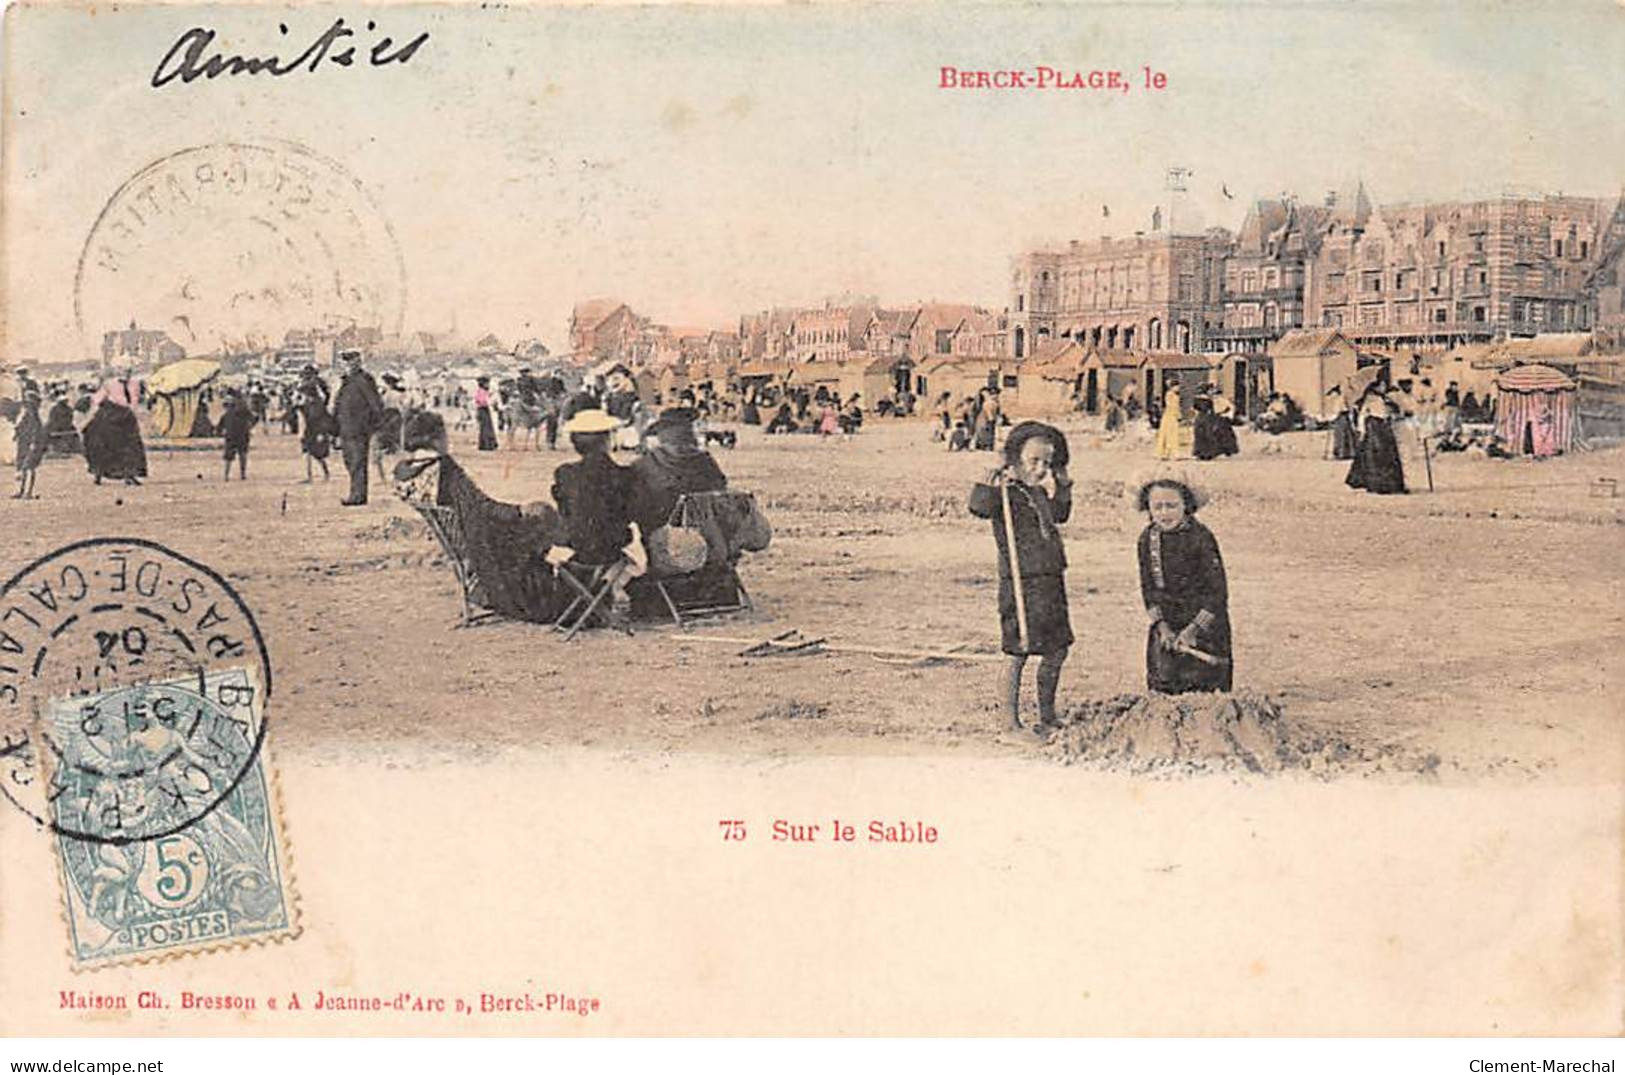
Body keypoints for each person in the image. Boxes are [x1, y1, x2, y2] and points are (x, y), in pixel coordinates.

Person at [967, 421, 1074, 734]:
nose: (1041, 468)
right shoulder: (1004, 493)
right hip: (1020, 581)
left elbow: (1060, 514)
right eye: (1033, 461)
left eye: (1047, 462)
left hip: (1050, 578)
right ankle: (1009, 725)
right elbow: (978, 508)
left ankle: (1048, 716)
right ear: (1014, 459)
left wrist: (1063, 485)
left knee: (1057, 648)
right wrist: (987, 480)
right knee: (1018, 651)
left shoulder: (1037, 491)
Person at [1136, 477, 1233, 694]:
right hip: (1168, 623)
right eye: (1157, 507)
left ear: (1186, 506)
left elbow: (1217, 592)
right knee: (1164, 683)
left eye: (1172, 506)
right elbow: (1148, 587)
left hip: (1204, 624)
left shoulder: (1201, 538)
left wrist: (1193, 630)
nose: (1164, 513)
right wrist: (1163, 627)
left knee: (1205, 688)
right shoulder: (1147, 539)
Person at [551, 408, 642, 626]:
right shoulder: (624, 474)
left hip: (576, 542)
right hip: (613, 542)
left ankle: (593, 594)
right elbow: (631, 513)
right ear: (607, 441)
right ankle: (611, 587)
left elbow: (564, 510)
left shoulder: (564, 473)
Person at [334, 351, 384, 506]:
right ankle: (356, 493)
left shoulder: (363, 380)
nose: (347, 366)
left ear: (358, 363)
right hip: (346, 428)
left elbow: (375, 405)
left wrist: (372, 426)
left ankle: (358, 496)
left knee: (357, 462)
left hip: (359, 429)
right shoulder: (347, 381)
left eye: (350, 362)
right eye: (345, 363)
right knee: (350, 461)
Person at [82, 367, 148, 486]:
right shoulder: (109, 384)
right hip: (110, 414)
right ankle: (99, 474)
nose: (125, 373)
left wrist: (138, 417)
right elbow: (97, 400)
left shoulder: (135, 384)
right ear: (117, 371)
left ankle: (130, 475)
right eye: (122, 370)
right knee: (105, 445)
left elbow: (135, 401)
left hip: (127, 417)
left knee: (131, 446)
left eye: (128, 371)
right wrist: (90, 417)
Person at [1345, 384, 1407, 495]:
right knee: (1377, 457)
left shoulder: (1384, 398)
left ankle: (1391, 485)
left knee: (1389, 456)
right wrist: (1362, 431)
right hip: (1374, 428)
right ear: (1375, 387)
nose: (1383, 388)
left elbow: (1388, 413)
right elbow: (1362, 416)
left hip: (1384, 428)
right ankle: (1378, 484)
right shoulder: (1371, 399)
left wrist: (1392, 409)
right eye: (1381, 386)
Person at [13, 389, 45, 499]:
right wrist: (17, 434)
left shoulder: (34, 416)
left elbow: (37, 430)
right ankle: (22, 491)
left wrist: (34, 442)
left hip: (32, 443)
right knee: (22, 467)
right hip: (23, 442)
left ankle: (29, 492)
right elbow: (20, 427)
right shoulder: (26, 415)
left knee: (29, 467)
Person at [299, 382, 334, 483]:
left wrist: (321, 433)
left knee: (317, 455)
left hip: (316, 431)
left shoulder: (317, 404)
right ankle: (309, 475)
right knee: (308, 453)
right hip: (310, 431)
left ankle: (325, 473)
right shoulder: (310, 403)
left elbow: (320, 419)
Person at [219, 389, 255, 481]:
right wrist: (250, 427)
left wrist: (221, 430)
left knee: (228, 457)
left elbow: (221, 424)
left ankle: (226, 475)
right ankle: (243, 474)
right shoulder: (244, 406)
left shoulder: (228, 412)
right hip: (242, 433)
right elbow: (253, 418)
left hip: (230, 434)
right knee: (243, 454)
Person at [1191, 396, 1238, 460]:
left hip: (1206, 420)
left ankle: (1206, 453)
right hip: (1205, 420)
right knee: (1206, 436)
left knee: (1207, 436)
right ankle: (1205, 453)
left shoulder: (1210, 401)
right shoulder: (1206, 401)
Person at [1325, 386, 1358, 461]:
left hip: (1340, 418)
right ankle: (1348, 453)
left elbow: (1336, 411)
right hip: (1344, 417)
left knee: (1341, 435)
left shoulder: (1337, 399)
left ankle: (1342, 453)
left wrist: (1331, 419)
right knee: (1346, 434)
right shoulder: (1340, 398)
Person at [1154, 383, 1182, 460]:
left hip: (1173, 415)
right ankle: (1165, 453)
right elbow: (1170, 405)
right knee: (1167, 434)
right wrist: (1177, 414)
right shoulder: (1169, 394)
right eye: (1176, 386)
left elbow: (1177, 406)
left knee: (1173, 434)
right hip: (1169, 415)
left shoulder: (1176, 395)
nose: (1178, 388)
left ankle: (1173, 453)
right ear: (1172, 387)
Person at [473, 376, 499, 451]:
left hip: (483, 410)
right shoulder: (481, 391)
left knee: (486, 427)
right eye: (487, 383)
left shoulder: (481, 391)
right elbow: (482, 402)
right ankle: (487, 445)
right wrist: (491, 403)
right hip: (483, 410)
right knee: (486, 428)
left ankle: (486, 445)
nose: (488, 385)